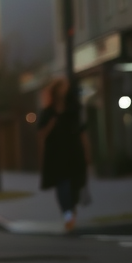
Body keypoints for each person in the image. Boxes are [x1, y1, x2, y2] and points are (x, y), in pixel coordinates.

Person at [38, 80, 88, 232]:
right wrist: (51, 125)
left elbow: (82, 132)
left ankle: (71, 213)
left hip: (73, 152)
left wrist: (87, 152)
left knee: (75, 186)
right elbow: (41, 135)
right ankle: (68, 216)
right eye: (61, 87)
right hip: (57, 155)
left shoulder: (74, 109)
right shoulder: (48, 112)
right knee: (63, 187)